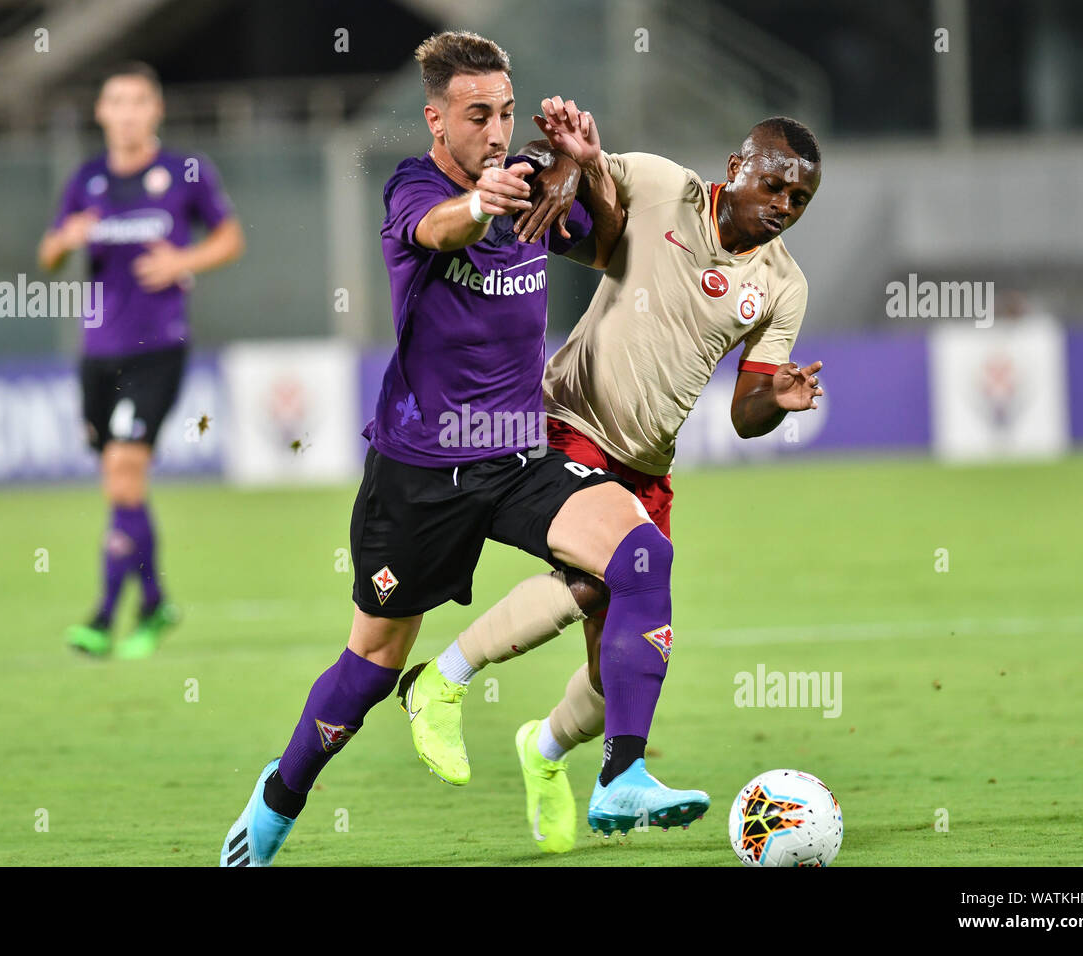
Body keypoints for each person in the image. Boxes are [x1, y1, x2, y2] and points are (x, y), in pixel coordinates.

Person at [221, 31, 708, 867]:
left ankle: (619, 776)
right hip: (420, 472)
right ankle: (279, 799)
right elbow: (438, 231)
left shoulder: (526, 182)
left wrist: (586, 166)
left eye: (507, 113)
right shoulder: (416, 187)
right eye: (478, 115)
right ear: (436, 120)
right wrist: (485, 202)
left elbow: (608, 250)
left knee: (640, 557)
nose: (496, 130)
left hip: (518, 455)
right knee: (370, 666)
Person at [403, 98, 824, 852]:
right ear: (738, 170)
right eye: (775, 188)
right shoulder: (666, 186)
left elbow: (745, 411)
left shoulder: (784, 285)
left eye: (800, 199)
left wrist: (779, 401)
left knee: (620, 665)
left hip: (647, 465)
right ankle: (450, 683)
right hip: (568, 423)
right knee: (606, 579)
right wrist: (571, 162)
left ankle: (545, 750)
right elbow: (582, 175)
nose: (785, 207)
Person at [38, 62, 245, 659]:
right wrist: (65, 239)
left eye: (137, 102)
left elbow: (230, 238)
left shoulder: (184, 172)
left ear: (154, 110)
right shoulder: (88, 179)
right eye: (115, 102)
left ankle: (104, 618)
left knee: (126, 470)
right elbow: (48, 254)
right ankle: (154, 603)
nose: (126, 113)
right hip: (97, 353)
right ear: (102, 113)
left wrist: (186, 262)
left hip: (157, 350)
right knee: (118, 484)